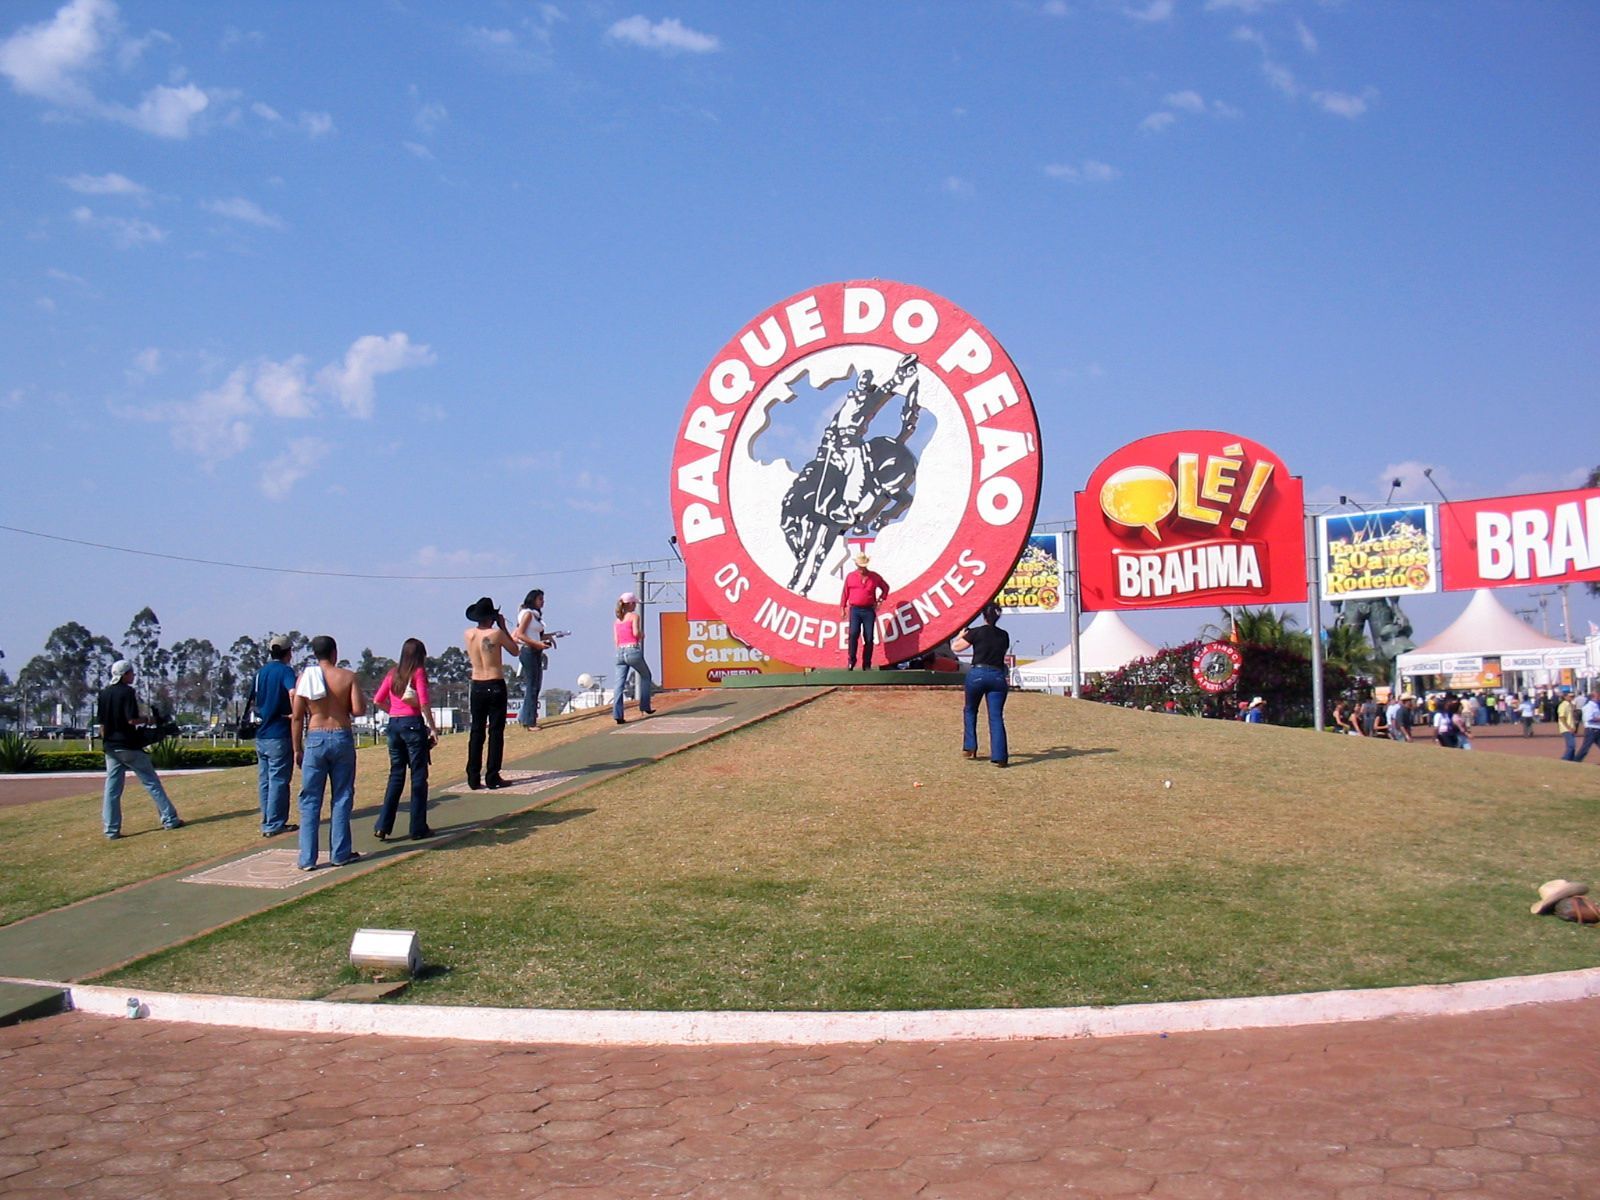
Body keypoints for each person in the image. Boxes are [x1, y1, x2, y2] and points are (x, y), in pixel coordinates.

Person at [290, 635, 365, 870]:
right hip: (341, 735)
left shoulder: (305, 677)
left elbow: (297, 717)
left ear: (315, 653)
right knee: (342, 796)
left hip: (315, 737)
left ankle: (307, 858)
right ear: (335, 652)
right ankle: (340, 853)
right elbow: (359, 710)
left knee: (310, 799)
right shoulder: (347, 676)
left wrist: (296, 748)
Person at [96, 660, 183, 839]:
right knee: (151, 782)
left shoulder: (104, 694)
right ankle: (170, 819)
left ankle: (111, 830)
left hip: (111, 748)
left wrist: (106, 744)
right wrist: (149, 720)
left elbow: (102, 725)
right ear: (125, 674)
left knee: (112, 790)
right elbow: (131, 720)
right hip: (129, 746)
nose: (133, 676)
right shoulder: (127, 692)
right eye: (131, 673)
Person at [371, 638, 439, 841]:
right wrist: (433, 728)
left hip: (394, 725)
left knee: (396, 775)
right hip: (412, 724)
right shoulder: (417, 672)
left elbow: (377, 699)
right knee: (418, 776)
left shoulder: (393, 673)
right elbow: (424, 702)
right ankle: (418, 827)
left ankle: (383, 825)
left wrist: (394, 711)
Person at [464, 597, 517, 789]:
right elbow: (515, 650)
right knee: (495, 732)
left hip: (477, 683)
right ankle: (493, 775)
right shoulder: (497, 634)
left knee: (477, 731)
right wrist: (503, 627)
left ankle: (473, 775)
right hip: (494, 682)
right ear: (492, 617)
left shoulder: (468, 634)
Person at [953, 603, 1010, 766]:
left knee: (970, 709)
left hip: (977, 673)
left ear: (983, 616)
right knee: (996, 716)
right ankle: (1000, 756)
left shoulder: (976, 632)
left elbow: (956, 648)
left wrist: (960, 635)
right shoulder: (1004, 635)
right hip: (997, 676)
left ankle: (970, 747)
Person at [253, 634, 298, 838]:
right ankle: (275, 822)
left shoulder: (260, 673)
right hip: (279, 732)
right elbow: (293, 692)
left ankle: (267, 819)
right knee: (279, 779)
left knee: (265, 780)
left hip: (261, 733)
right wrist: (295, 713)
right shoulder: (286, 671)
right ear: (288, 652)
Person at [840, 552, 889, 670]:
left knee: (869, 637)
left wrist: (880, 600)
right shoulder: (851, 576)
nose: (861, 568)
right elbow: (845, 592)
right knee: (853, 634)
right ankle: (851, 660)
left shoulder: (874, 577)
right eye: (859, 566)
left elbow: (885, 587)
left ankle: (866, 663)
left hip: (868, 610)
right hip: (855, 609)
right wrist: (842, 607)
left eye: (863, 566)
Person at [612, 592, 656, 724]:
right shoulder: (634, 617)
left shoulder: (617, 620)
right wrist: (642, 635)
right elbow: (636, 632)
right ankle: (645, 706)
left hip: (620, 651)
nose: (636, 605)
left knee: (618, 684)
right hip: (632, 650)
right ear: (630, 604)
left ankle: (618, 714)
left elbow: (616, 639)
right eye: (634, 603)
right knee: (646, 675)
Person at [514, 588, 553, 729]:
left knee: (535, 686)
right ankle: (529, 721)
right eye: (540, 599)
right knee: (532, 686)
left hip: (535, 651)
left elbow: (534, 634)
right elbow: (520, 634)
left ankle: (525, 717)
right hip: (529, 651)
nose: (543, 602)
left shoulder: (535, 616)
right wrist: (537, 644)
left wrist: (548, 637)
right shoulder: (528, 615)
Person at [1573, 687, 1600, 763]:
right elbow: (1589, 719)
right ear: (1594, 697)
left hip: (1597, 729)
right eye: (1598, 696)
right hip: (1591, 730)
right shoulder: (1589, 707)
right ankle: (1576, 761)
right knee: (1585, 747)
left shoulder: (1596, 706)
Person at [1557, 689, 1582, 761]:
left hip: (1571, 728)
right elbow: (1561, 717)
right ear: (1565, 697)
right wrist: (1568, 727)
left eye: (1573, 696)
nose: (1572, 698)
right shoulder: (1563, 705)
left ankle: (1571, 760)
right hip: (1566, 728)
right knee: (1571, 745)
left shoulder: (1570, 705)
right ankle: (1565, 759)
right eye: (1570, 696)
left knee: (1572, 746)